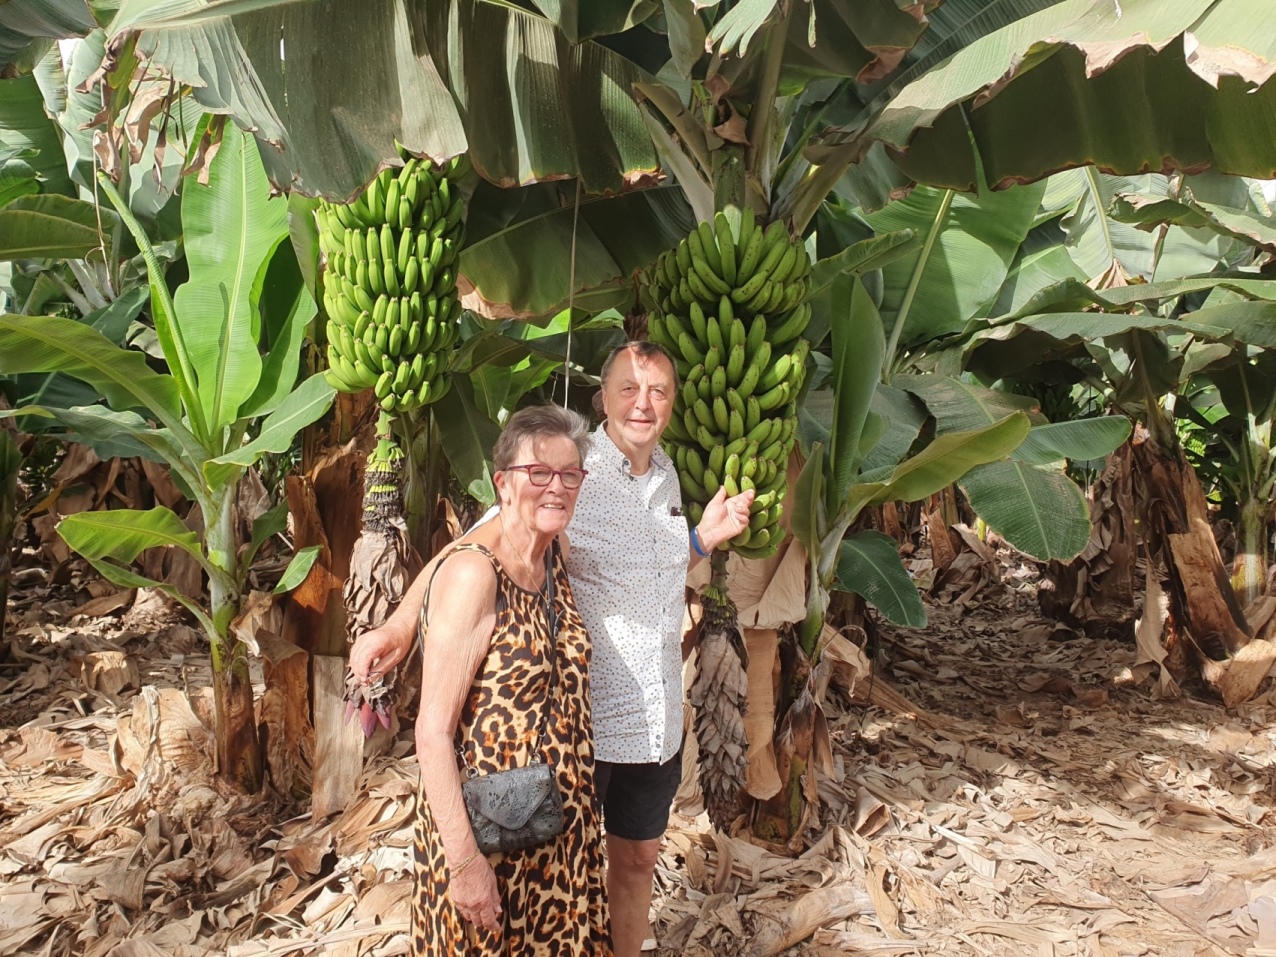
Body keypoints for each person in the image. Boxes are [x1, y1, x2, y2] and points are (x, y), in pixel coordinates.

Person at [353, 342, 752, 957]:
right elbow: (474, 547)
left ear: (673, 404)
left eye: (658, 391)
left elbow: (649, 566)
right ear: (603, 398)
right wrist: (403, 625)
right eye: (628, 389)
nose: (643, 404)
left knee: (632, 862)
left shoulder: (669, 474)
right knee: (554, 881)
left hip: (658, 722)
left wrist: (702, 538)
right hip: (580, 731)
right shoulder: (565, 466)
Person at [399, 404, 611, 956]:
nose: (556, 487)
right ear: (503, 483)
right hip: (488, 838)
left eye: (570, 475)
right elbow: (431, 734)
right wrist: (465, 864)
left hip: (559, 834)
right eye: (538, 473)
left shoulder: (553, 554)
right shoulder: (474, 576)